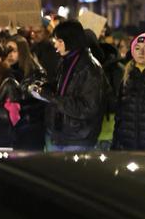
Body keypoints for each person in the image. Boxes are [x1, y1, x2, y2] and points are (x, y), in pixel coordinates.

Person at [31, 20, 106, 152]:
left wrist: (52, 97)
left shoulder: (90, 68)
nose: (56, 45)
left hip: (78, 139)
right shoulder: (65, 61)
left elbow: (88, 108)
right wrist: (46, 87)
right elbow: (63, 89)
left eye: (60, 41)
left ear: (71, 40)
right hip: (58, 134)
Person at [5, 35, 48, 150]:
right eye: (7, 50)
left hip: (30, 129)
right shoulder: (7, 71)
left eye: (13, 50)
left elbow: (40, 102)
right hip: (13, 131)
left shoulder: (35, 72)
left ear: (22, 51)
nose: (10, 54)